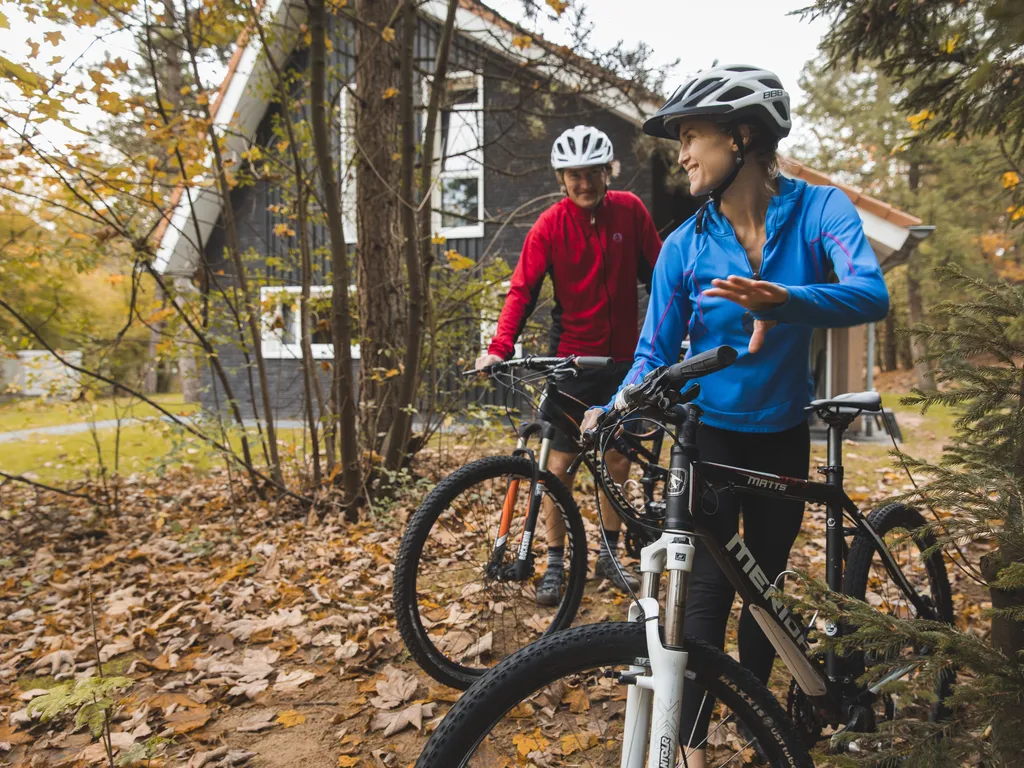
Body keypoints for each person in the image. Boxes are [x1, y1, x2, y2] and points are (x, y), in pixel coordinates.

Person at [580, 64, 889, 763]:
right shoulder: (684, 247)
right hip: (709, 441)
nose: (681, 153)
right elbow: (653, 351)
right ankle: (687, 750)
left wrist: (784, 300)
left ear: (744, 137)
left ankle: (758, 727)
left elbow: (869, 294)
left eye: (692, 136)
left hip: (781, 436)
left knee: (765, 596)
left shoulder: (821, 211)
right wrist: (616, 410)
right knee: (704, 603)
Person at [476, 124, 663, 606]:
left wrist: (671, 334)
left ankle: (610, 553)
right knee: (558, 466)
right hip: (572, 362)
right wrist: (500, 347)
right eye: (574, 175)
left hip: (625, 361)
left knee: (617, 457)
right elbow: (523, 290)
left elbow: (661, 277)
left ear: (607, 172)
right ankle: (556, 560)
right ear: (562, 178)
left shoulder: (631, 212)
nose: (584, 184)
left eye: (593, 173)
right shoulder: (549, 226)